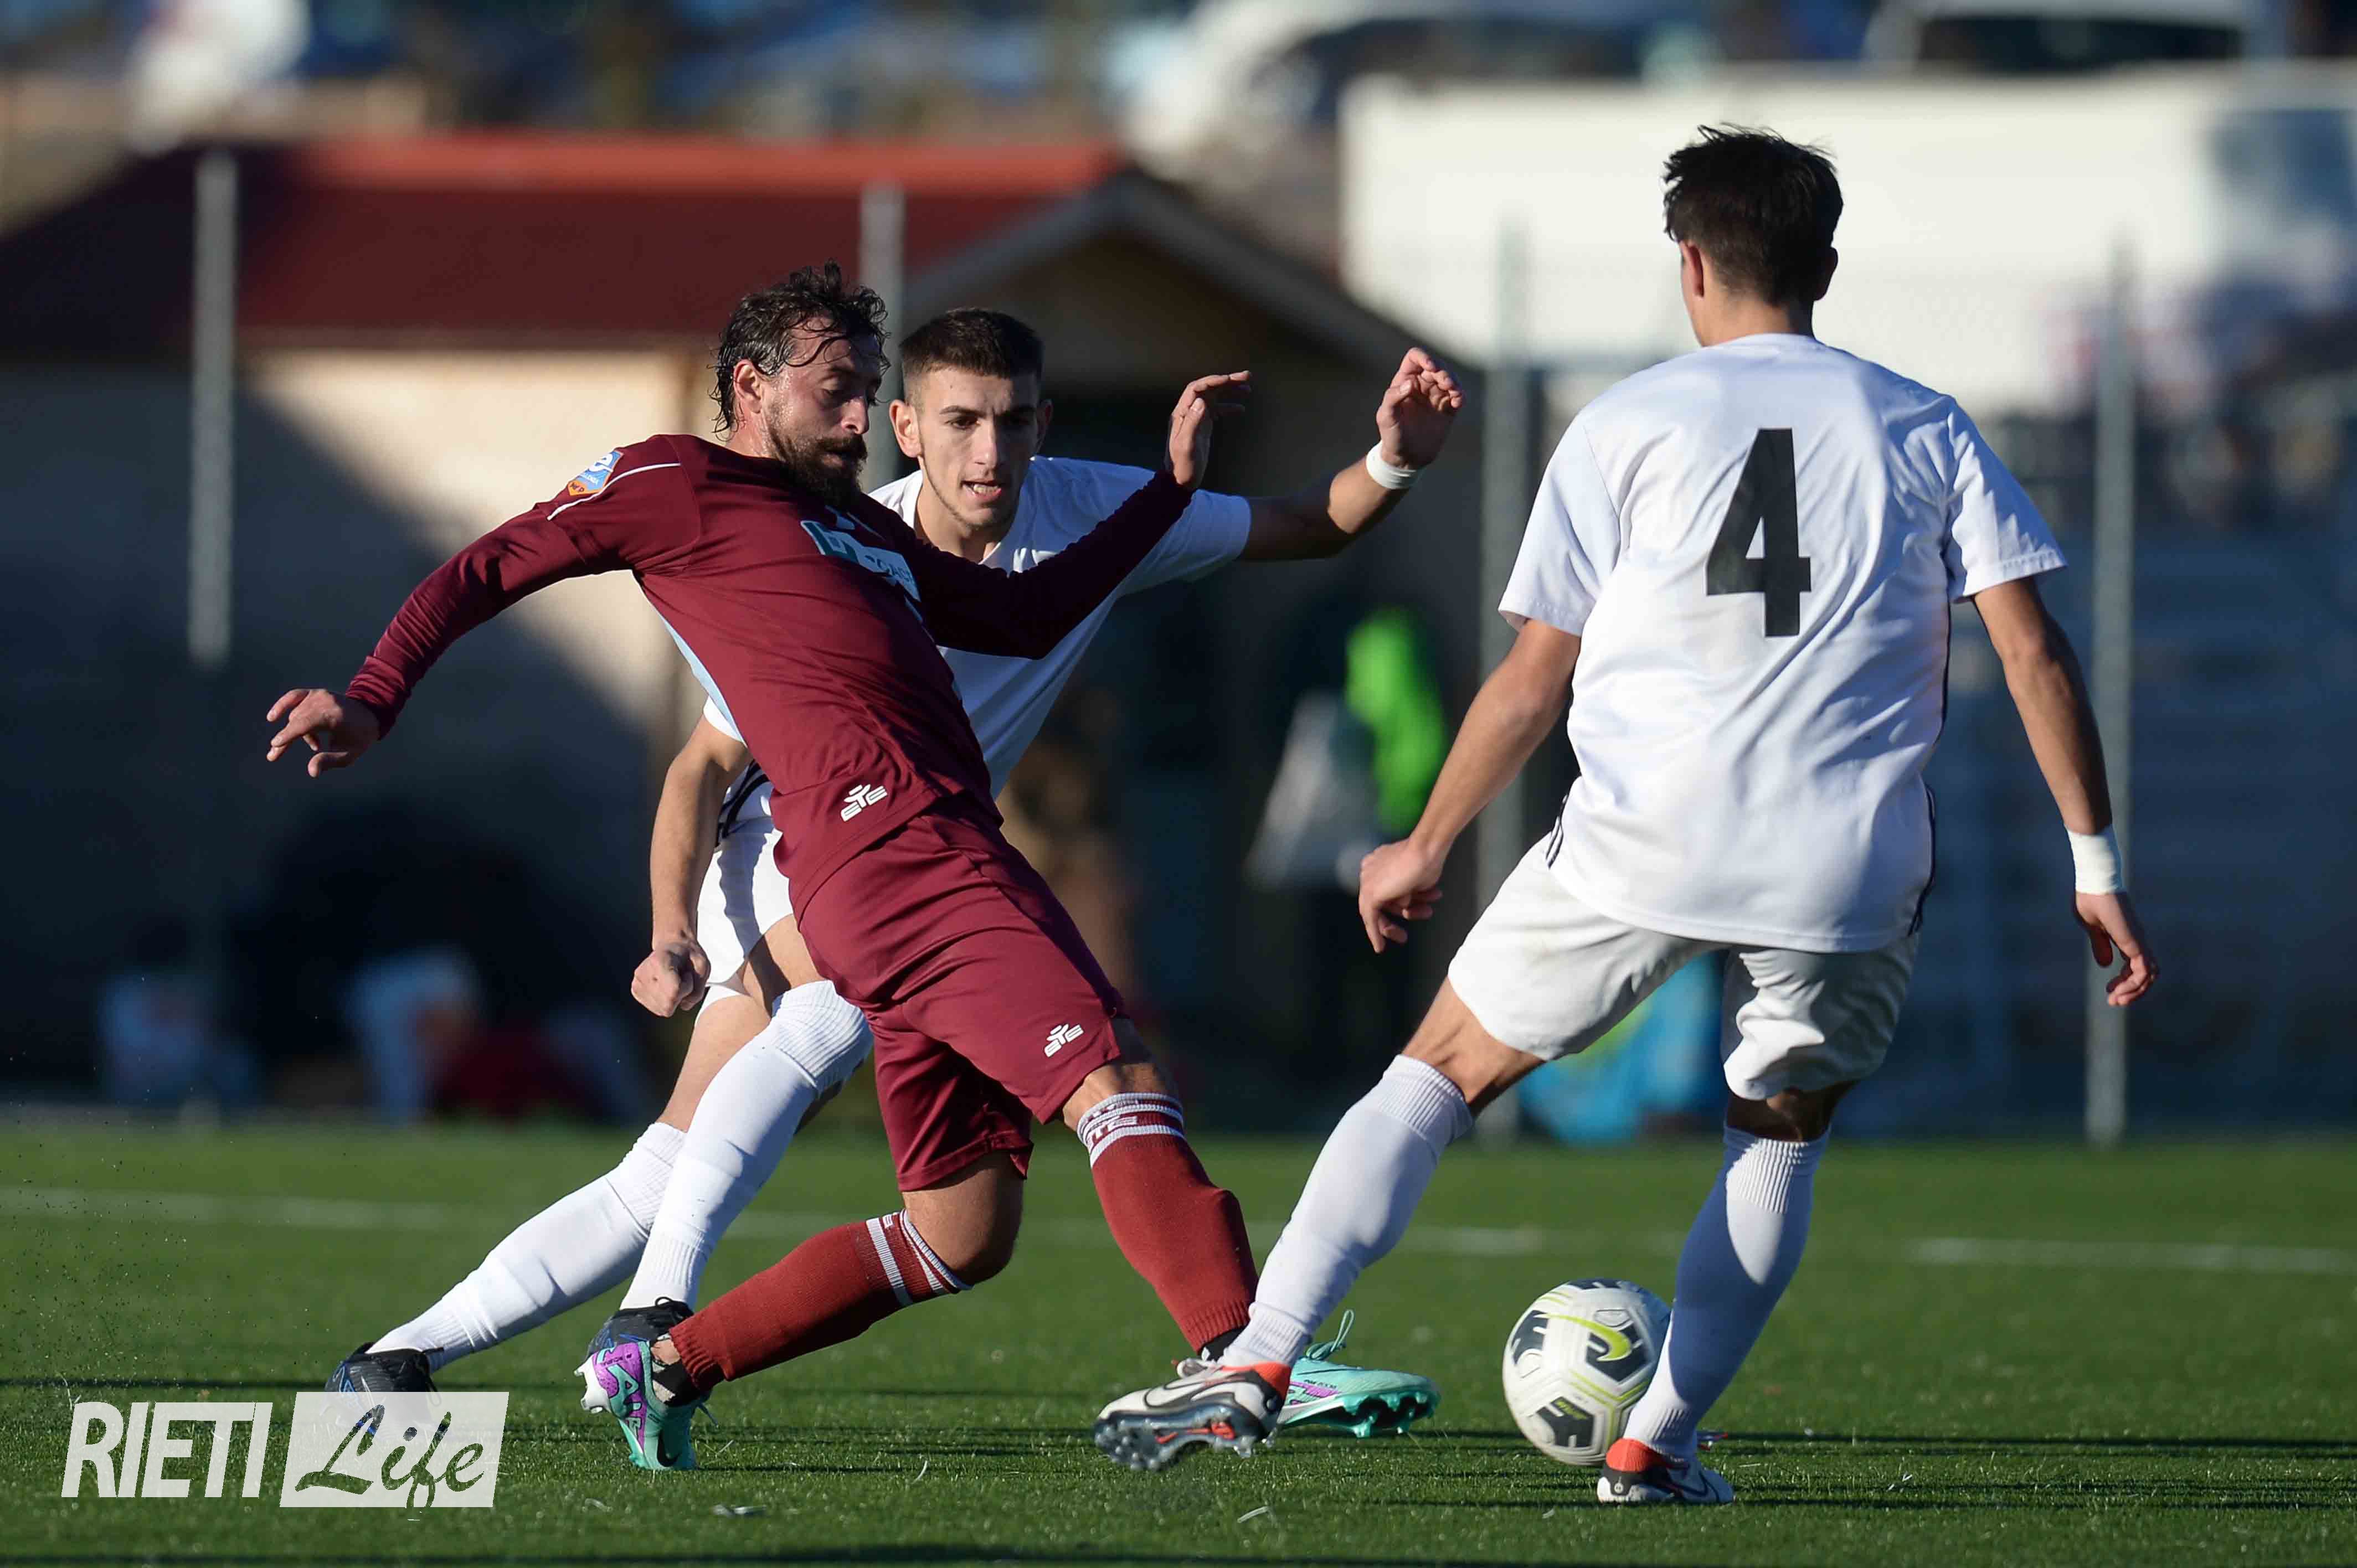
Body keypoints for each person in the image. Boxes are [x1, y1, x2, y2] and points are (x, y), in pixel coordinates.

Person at [1092, 127, 2159, 1504]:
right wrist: (2093, 864)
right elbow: (2031, 653)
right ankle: (1656, 1442)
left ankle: (1257, 1362)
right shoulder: (1921, 423)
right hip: (1842, 864)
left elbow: (1534, 679)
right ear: (1825, 265)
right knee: (1777, 1136)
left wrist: (1424, 842)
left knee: (1434, 1076)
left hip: (1642, 838)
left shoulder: (1626, 422)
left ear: (1690, 265)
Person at [321, 306, 1464, 1447]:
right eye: (845, 393)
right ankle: (1241, 1354)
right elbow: (497, 572)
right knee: (1101, 1073)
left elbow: (1025, 613)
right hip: (863, 854)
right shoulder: (680, 481)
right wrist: (375, 699)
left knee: (958, 1229)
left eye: (872, 394)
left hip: (917, 856)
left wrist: (1170, 493)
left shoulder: (858, 533)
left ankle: (648, 1362)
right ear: (755, 386)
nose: (863, 420)